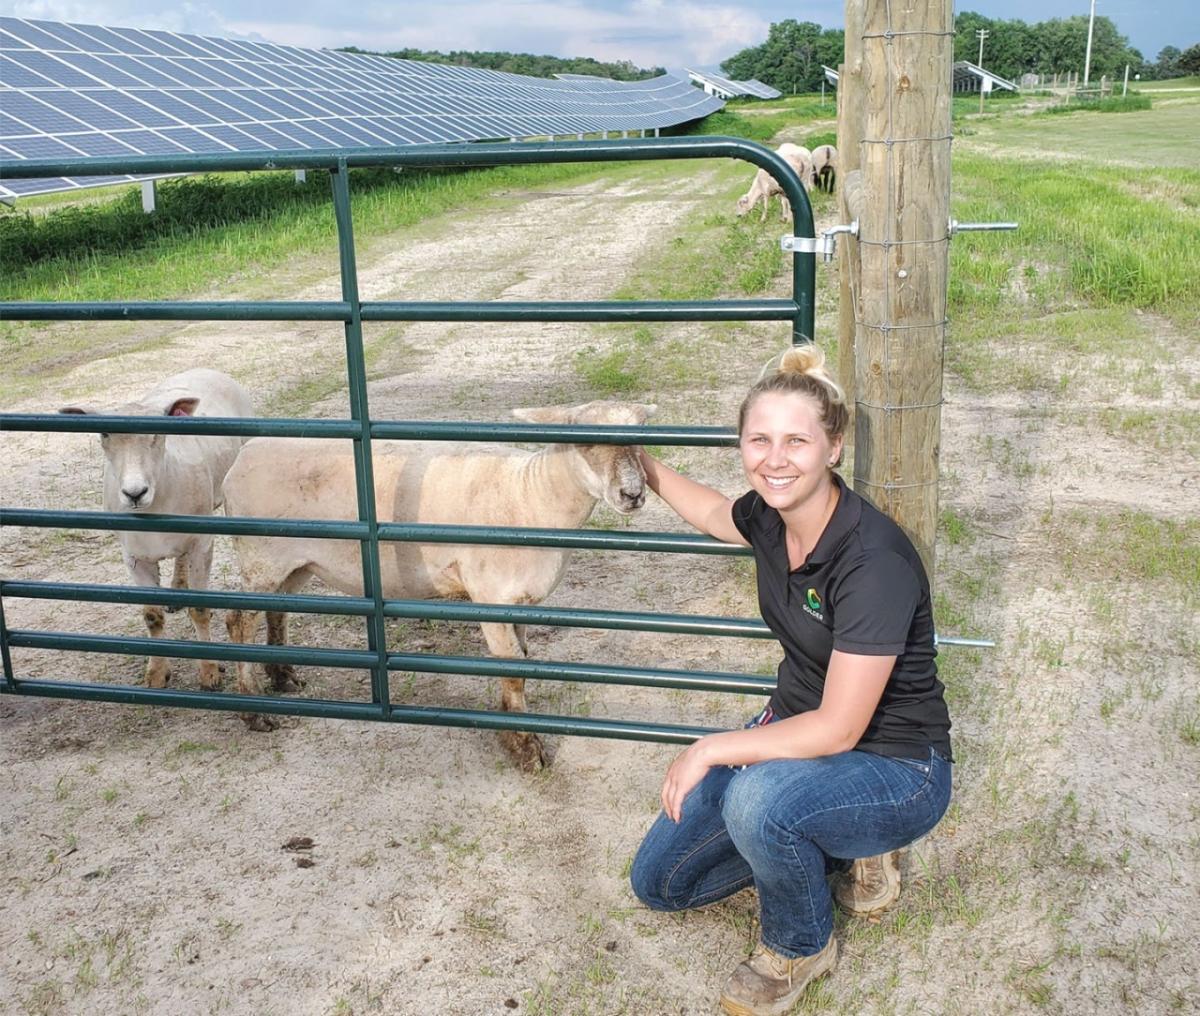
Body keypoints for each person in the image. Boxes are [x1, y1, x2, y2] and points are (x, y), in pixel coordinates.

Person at [629, 344, 953, 1016]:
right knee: (660, 882)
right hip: (800, 732)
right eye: (759, 439)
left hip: (895, 764)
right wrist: (641, 464)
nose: (774, 458)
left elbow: (840, 727)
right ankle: (828, 845)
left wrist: (712, 747)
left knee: (757, 802)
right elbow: (720, 515)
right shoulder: (769, 518)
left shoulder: (871, 561)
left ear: (833, 447)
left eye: (796, 441)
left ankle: (801, 943)